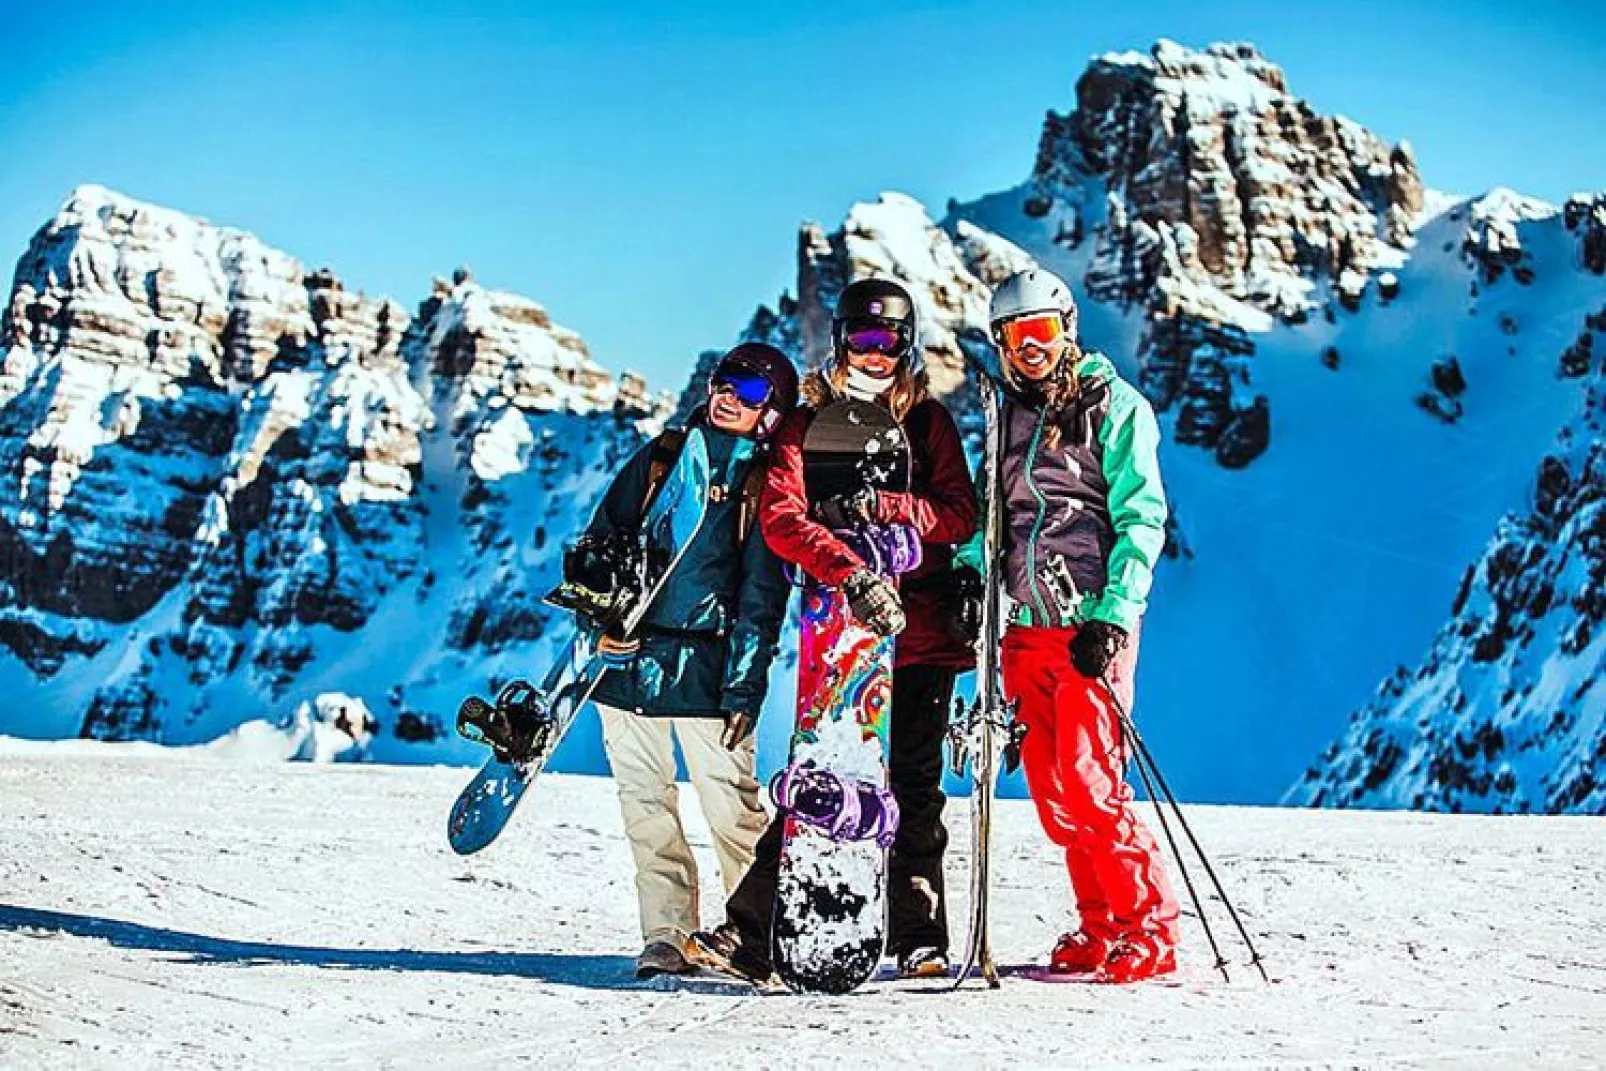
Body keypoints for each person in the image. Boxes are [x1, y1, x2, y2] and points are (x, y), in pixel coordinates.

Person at [689, 278, 978, 982]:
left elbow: (960, 514)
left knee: (913, 782)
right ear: (840, 340)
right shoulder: (809, 420)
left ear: (906, 346)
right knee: (820, 777)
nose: (874, 354)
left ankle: (919, 933)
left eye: (887, 342)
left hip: (922, 629)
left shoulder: (927, 423)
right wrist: (849, 569)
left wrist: (888, 507)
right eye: (861, 339)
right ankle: (754, 933)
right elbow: (782, 516)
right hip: (843, 636)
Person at [970, 267, 1179, 983]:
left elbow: (1141, 518)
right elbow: (989, 516)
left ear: (1067, 331)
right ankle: (1100, 925)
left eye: (1044, 332)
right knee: (1056, 795)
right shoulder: (1004, 418)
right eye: (1017, 335)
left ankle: (1146, 924)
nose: (1032, 349)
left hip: (1088, 627)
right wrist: (975, 575)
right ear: (1000, 342)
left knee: (1092, 785)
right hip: (1024, 629)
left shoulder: (1114, 408)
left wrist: (1114, 614)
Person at [575, 342, 798, 978]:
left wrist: (744, 688)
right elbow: (601, 545)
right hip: (630, 663)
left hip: (708, 671)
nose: (729, 397)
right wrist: (601, 622)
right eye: (725, 382)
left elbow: (762, 597)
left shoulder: (763, 483)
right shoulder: (663, 459)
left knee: (733, 812)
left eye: (751, 392)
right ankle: (668, 935)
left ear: (771, 412)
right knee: (645, 807)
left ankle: (759, 936)